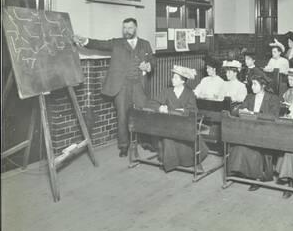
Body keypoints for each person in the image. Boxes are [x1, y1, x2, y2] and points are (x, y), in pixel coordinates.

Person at [74, 18, 154, 157]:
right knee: (122, 116)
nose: (126, 31)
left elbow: (153, 59)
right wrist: (85, 40)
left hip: (139, 85)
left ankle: (145, 141)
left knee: (143, 112)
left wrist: (149, 65)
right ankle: (123, 146)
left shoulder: (145, 44)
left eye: (129, 28)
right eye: (124, 28)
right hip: (121, 86)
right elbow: (100, 44)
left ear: (136, 28)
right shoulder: (117, 43)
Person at [150, 65, 208, 172]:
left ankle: (189, 161)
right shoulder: (167, 91)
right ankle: (171, 162)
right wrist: (160, 107)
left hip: (184, 124)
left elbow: (194, 110)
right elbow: (153, 103)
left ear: (182, 81)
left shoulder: (189, 93)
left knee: (188, 134)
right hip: (169, 123)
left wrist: (184, 111)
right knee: (168, 134)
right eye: (173, 77)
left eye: (176, 78)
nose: (172, 79)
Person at [228, 74, 281, 191]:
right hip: (250, 130)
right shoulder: (250, 97)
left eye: (255, 84)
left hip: (266, 131)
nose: (252, 87)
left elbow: (274, 116)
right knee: (239, 145)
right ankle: (241, 171)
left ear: (263, 85)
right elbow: (236, 111)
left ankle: (256, 176)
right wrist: (241, 110)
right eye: (251, 84)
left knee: (254, 149)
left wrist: (255, 115)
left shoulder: (273, 98)